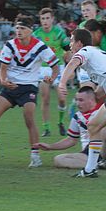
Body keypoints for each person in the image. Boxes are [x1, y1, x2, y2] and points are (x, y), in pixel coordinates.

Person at [0, 15, 59, 167]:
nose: (19, 31)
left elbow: (55, 66)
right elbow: (3, 68)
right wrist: (2, 80)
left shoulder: (40, 47)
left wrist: (52, 78)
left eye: (22, 28)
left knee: (29, 118)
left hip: (29, 88)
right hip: (11, 87)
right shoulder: (10, 45)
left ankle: (35, 156)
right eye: (17, 28)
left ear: (30, 30)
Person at [58, 29, 106, 177]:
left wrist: (62, 83)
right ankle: (90, 169)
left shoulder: (85, 51)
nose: (70, 44)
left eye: (72, 40)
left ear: (79, 43)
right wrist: (95, 96)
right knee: (93, 125)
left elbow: (72, 64)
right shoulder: (101, 54)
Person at [35, 86, 106, 169]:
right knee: (59, 159)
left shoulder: (105, 112)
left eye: (81, 100)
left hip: (105, 148)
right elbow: (71, 140)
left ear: (91, 100)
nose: (77, 103)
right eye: (76, 100)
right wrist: (50, 146)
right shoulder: (77, 116)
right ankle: (99, 164)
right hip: (87, 152)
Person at [33, 8, 71, 137]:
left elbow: (68, 49)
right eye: (42, 18)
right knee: (45, 98)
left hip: (58, 67)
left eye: (47, 18)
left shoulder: (59, 33)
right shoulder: (36, 35)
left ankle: (60, 122)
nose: (45, 21)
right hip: (43, 69)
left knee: (61, 98)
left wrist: (70, 65)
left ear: (52, 19)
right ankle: (46, 128)